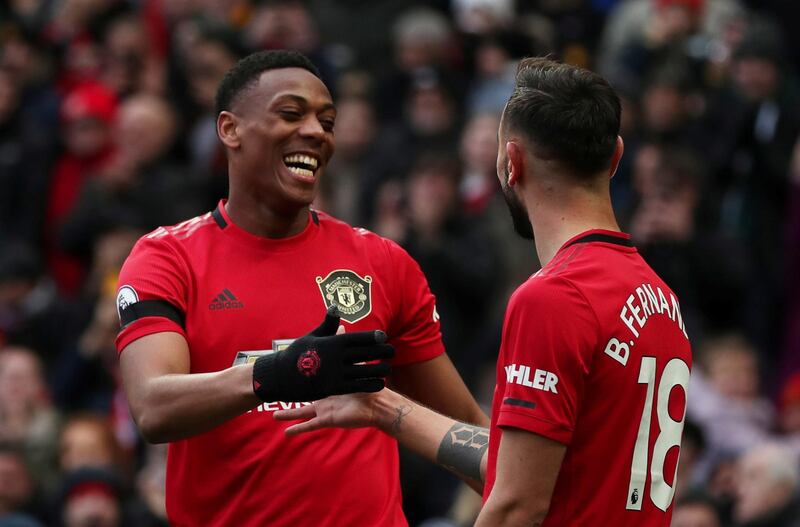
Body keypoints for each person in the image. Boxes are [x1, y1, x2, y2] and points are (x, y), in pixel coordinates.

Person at [276, 57, 693, 525]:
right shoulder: (661, 297)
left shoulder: (555, 297)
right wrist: (381, 405)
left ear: (512, 163)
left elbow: (516, 504)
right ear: (615, 156)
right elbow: (524, 468)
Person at [115, 50, 486, 526]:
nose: (316, 131)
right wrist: (278, 373)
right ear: (230, 129)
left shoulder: (382, 262)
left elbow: (464, 426)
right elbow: (152, 407)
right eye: (291, 113)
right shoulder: (167, 258)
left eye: (327, 121)